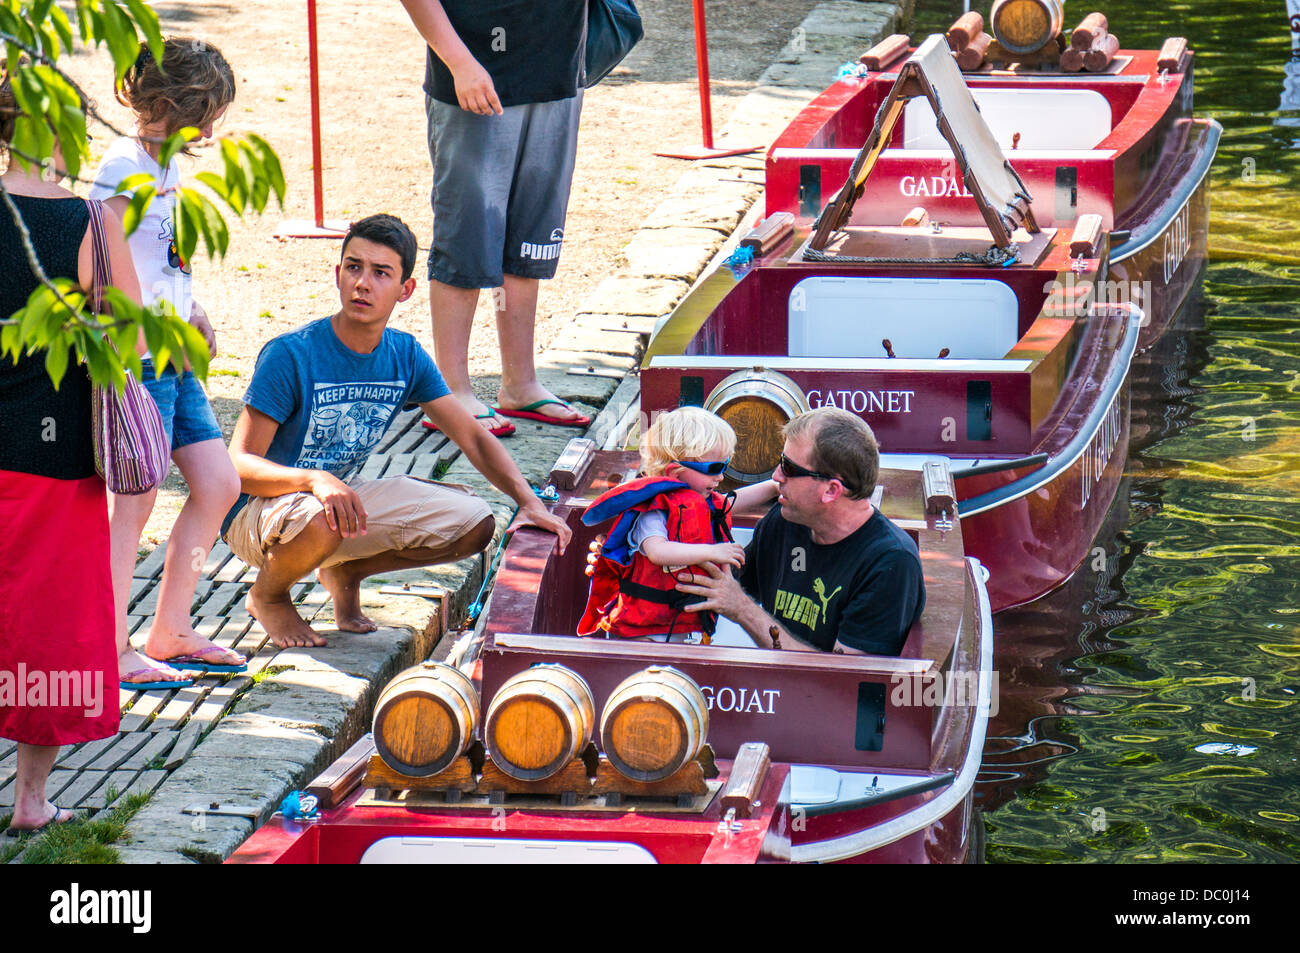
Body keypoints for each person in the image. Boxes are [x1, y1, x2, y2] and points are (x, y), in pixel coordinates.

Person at [222, 214, 571, 648]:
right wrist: (314, 479)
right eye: (353, 267)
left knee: (475, 523)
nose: (362, 283)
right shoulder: (291, 354)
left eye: (380, 272)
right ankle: (268, 596)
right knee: (324, 516)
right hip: (258, 511)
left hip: (334, 504)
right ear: (338, 274)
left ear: (405, 290)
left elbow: (475, 436)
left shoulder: (404, 355)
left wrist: (528, 502)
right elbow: (236, 467)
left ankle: (347, 571)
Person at [89, 38, 245, 686]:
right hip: (140, 355)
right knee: (134, 500)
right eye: (205, 113)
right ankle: (108, 642)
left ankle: (171, 626)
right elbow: (104, 259)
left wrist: (194, 305)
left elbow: (164, 257)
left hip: (176, 353)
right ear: (173, 104)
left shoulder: (167, 166)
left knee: (217, 483)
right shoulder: (124, 165)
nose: (211, 129)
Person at [1, 77, 122, 831]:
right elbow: (124, 338)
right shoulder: (88, 221)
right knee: (47, 626)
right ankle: (30, 799)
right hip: (55, 451)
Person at [399, 0, 592, 438]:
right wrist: (458, 61)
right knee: (468, 235)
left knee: (531, 238)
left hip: (558, 72)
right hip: (477, 73)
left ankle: (520, 382)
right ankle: (451, 390)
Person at [676, 407, 926, 654]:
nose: (776, 476)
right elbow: (723, 584)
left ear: (831, 490)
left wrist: (743, 610)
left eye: (788, 467)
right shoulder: (785, 522)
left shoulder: (890, 563)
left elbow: (845, 679)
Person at [579, 408, 777, 639]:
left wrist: (774, 487)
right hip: (642, 633)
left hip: (677, 624)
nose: (721, 477)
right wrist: (713, 551)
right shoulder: (654, 512)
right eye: (714, 468)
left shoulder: (703, 504)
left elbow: (735, 500)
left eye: (725, 465)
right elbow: (658, 551)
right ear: (675, 472)